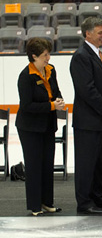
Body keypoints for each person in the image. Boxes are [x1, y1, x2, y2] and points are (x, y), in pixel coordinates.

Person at [70, 17, 102, 215]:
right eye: (100, 33)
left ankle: (98, 197)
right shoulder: (81, 56)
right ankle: (84, 202)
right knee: (86, 163)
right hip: (88, 121)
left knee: (99, 163)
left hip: (101, 120)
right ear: (88, 33)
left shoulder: (97, 54)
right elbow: (87, 89)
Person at [16, 38, 65, 216]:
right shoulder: (26, 76)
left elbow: (55, 91)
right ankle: (35, 205)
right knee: (34, 165)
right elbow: (27, 106)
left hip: (47, 125)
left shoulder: (50, 70)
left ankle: (47, 202)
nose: (48, 58)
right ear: (34, 56)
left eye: (49, 54)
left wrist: (58, 99)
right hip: (29, 127)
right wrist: (52, 106)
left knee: (47, 164)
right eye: (45, 55)